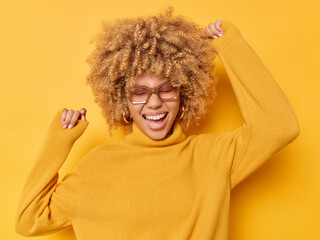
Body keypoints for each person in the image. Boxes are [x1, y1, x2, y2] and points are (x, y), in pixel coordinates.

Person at [15, 7, 300, 240]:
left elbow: (279, 126)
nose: (154, 103)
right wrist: (59, 140)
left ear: (183, 93)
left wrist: (231, 46)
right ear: (122, 100)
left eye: (166, 89)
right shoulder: (95, 166)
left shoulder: (213, 157)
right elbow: (29, 220)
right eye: (139, 92)